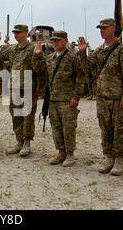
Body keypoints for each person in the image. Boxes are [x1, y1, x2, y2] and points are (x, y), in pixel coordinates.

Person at [78, 18, 123, 176]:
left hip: (117, 98)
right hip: (102, 97)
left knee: (119, 130)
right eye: (100, 29)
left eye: (104, 28)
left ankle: (119, 161)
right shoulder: (99, 50)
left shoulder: (122, 50)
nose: (101, 31)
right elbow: (87, 68)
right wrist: (83, 52)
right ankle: (109, 158)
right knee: (106, 129)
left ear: (113, 28)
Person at [0, 25, 46, 157]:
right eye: (14, 32)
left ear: (26, 33)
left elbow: (41, 70)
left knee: (27, 116)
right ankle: (19, 141)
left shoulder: (33, 48)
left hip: (29, 87)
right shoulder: (12, 49)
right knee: (16, 116)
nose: (16, 34)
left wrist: (40, 88)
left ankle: (27, 143)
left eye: (18, 32)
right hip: (14, 86)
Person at [45, 31, 85, 166]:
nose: (55, 42)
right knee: (56, 127)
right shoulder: (50, 57)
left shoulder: (73, 57)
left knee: (68, 127)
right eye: (53, 40)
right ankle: (61, 151)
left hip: (67, 99)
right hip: (53, 98)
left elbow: (80, 77)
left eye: (58, 40)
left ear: (66, 40)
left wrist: (76, 96)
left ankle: (70, 154)